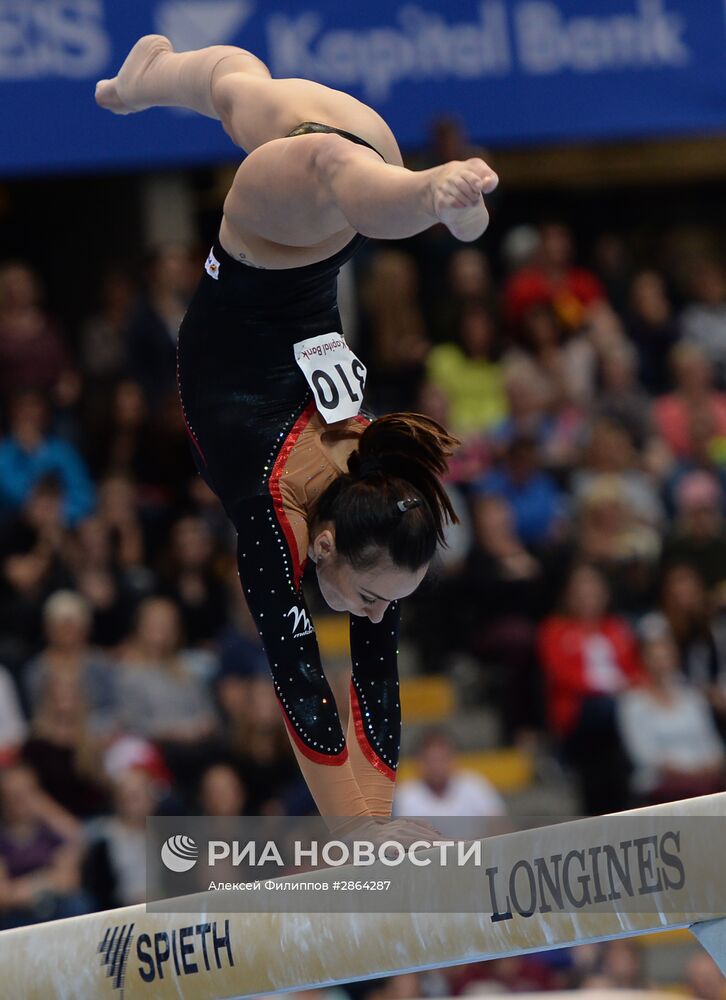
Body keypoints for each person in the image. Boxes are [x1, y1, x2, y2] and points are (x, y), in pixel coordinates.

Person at [97, 35, 498, 823]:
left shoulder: (344, 515)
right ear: (326, 549)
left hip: (322, 199)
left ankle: (147, 78)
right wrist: (361, 836)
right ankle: (430, 199)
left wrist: (377, 826)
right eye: (379, 598)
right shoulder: (317, 512)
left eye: (385, 601)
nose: (379, 614)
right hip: (299, 215)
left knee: (239, 87)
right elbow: (308, 698)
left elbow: (348, 683)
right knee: (328, 166)